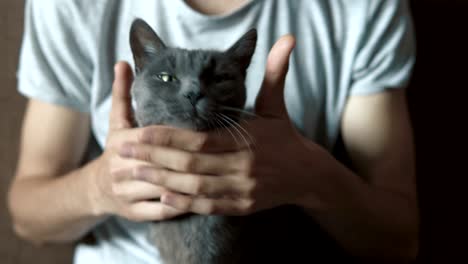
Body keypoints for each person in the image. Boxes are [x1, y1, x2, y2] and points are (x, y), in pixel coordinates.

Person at [7, 0, 419, 263]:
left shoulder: (362, 8)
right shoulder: (70, 5)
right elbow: (27, 219)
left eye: (217, 79)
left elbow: (399, 241)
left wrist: (309, 177)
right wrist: (100, 186)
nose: (192, 91)